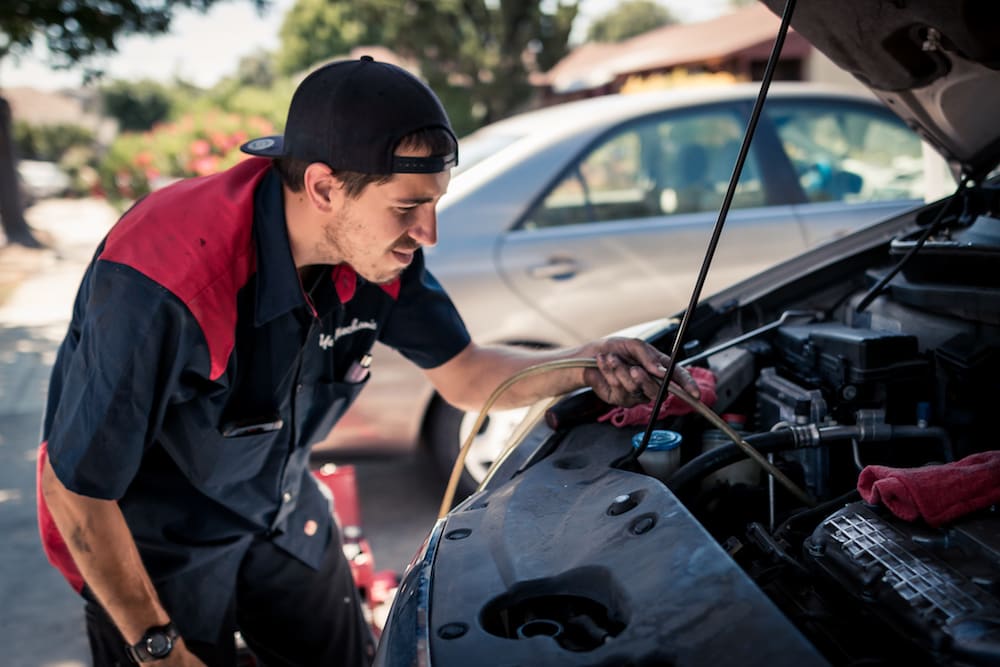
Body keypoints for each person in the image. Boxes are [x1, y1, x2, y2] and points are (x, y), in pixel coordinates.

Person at [36, 56, 698, 666]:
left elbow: (465, 375)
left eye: (434, 202)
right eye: (409, 207)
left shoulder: (380, 256)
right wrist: (157, 647)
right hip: (155, 545)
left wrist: (584, 364)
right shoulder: (167, 278)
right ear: (323, 187)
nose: (428, 232)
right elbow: (76, 491)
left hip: (281, 504)